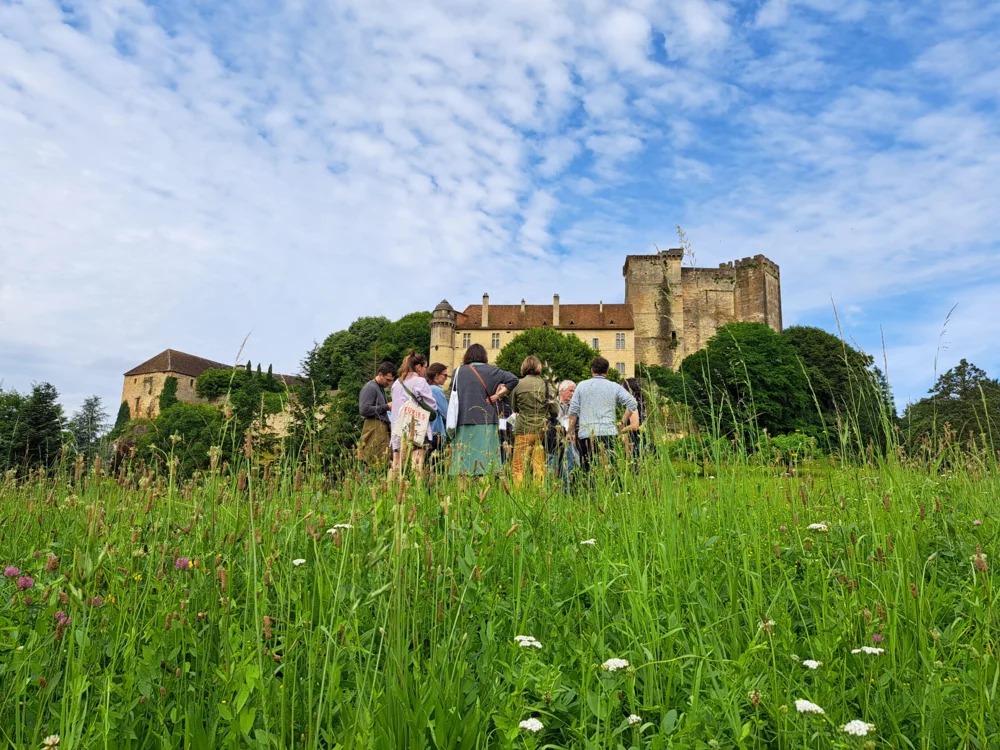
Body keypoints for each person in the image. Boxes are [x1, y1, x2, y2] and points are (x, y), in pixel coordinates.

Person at [449, 343, 519, 476]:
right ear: (484, 356)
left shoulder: (457, 372)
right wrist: (497, 395)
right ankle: (483, 495)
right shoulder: (492, 371)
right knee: (485, 467)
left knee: (462, 468)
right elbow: (513, 379)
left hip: (462, 421)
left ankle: (462, 494)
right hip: (486, 421)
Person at [568, 357, 639, 472]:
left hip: (586, 434)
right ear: (607, 371)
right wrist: (622, 421)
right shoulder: (614, 386)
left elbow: (573, 411)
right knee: (608, 471)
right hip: (608, 433)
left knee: (588, 471)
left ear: (592, 370)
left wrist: (570, 431)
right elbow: (632, 403)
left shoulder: (581, 386)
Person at [510, 356, 558, 487]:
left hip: (522, 430)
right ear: (539, 367)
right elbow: (555, 410)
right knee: (539, 466)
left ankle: (518, 495)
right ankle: (539, 493)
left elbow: (514, 408)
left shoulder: (517, 384)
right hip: (541, 431)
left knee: (518, 466)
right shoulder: (547, 385)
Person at [389, 350, 438, 476]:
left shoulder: (396, 383)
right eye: (425, 367)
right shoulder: (420, 382)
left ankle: (392, 493)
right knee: (417, 464)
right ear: (418, 367)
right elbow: (432, 406)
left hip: (397, 429)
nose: (425, 371)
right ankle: (417, 492)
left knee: (396, 465)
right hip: (416, 428)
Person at [357, 361, 395, 466]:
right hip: (373, 430)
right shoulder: (370, 387)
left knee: (380, 464)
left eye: (391, 381)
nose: (389, 383)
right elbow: (364, 410)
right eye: (387, 380)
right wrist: (387, 406)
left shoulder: (380, 388)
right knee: (370, 465)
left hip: (380, 431)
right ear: (380, 374)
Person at [547, 379, 579, 489]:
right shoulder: (552, 405)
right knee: (552, 470)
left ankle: (567, 491)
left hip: (570, 442)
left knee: (568, 469)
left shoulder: (576, 407)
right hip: (554, 442)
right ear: (561, 391)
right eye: (570, 391)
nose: (573, 394)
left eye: (574, 391)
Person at [425, 362, 450, 456]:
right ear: (436, 376)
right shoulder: (436, 390)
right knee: (435, 463)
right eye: (445, 375)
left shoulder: (426, 387)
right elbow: (446, 413)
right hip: (435, 431)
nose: (446, 378)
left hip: (425, 430)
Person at [622, 377, 649, 462]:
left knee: (635, 466)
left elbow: (634, 425)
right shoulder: (641, 403)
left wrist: (621, 430)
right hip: (642, 438)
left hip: (635, 441)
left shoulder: (633, 404)